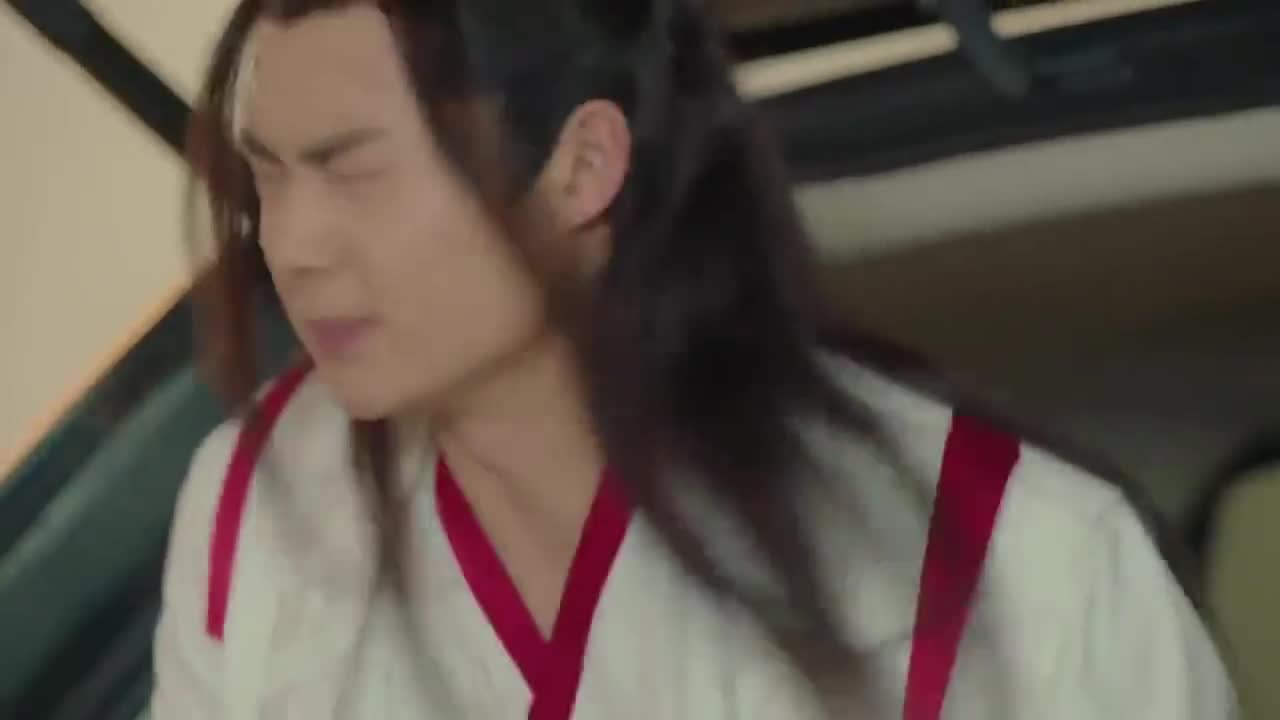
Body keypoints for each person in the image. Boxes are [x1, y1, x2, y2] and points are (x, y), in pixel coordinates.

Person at [151, 0, 1236, 717]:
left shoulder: (1027, 573)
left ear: (582, 167)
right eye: (269, 175)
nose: (292, 242)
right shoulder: (260, 506)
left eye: (354, 171)